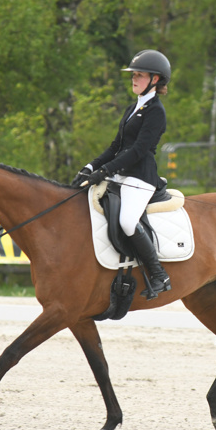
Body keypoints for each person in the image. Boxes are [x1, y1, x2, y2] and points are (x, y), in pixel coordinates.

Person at [71, 50, 172, 298]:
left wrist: (106, 170)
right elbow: (116, 146)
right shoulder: (132, 108)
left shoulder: (155, 111)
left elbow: (138, 150)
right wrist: (91, 167)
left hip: (140, 177)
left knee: (127, 221)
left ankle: (159, 274)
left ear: (155, 80)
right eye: (133, 75)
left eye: (139, 75)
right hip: (120, 175)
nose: (134, 80)